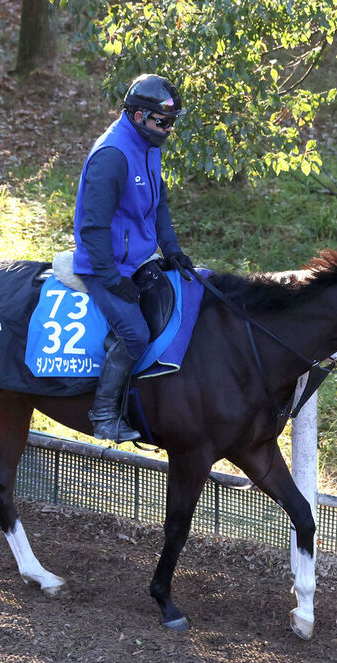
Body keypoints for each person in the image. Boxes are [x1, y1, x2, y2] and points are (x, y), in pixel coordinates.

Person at [73, 74, 194, 442]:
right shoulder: (112, 156)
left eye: (172, 121)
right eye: (163, 121)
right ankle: (104, 415)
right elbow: (91, 227)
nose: (169, 129)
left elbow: (159, 206)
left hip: (139, 261)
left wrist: (171, 249)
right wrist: (109, 277)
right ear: (139, 116)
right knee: (135, 334)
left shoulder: (148, 144)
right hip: (102, 266)